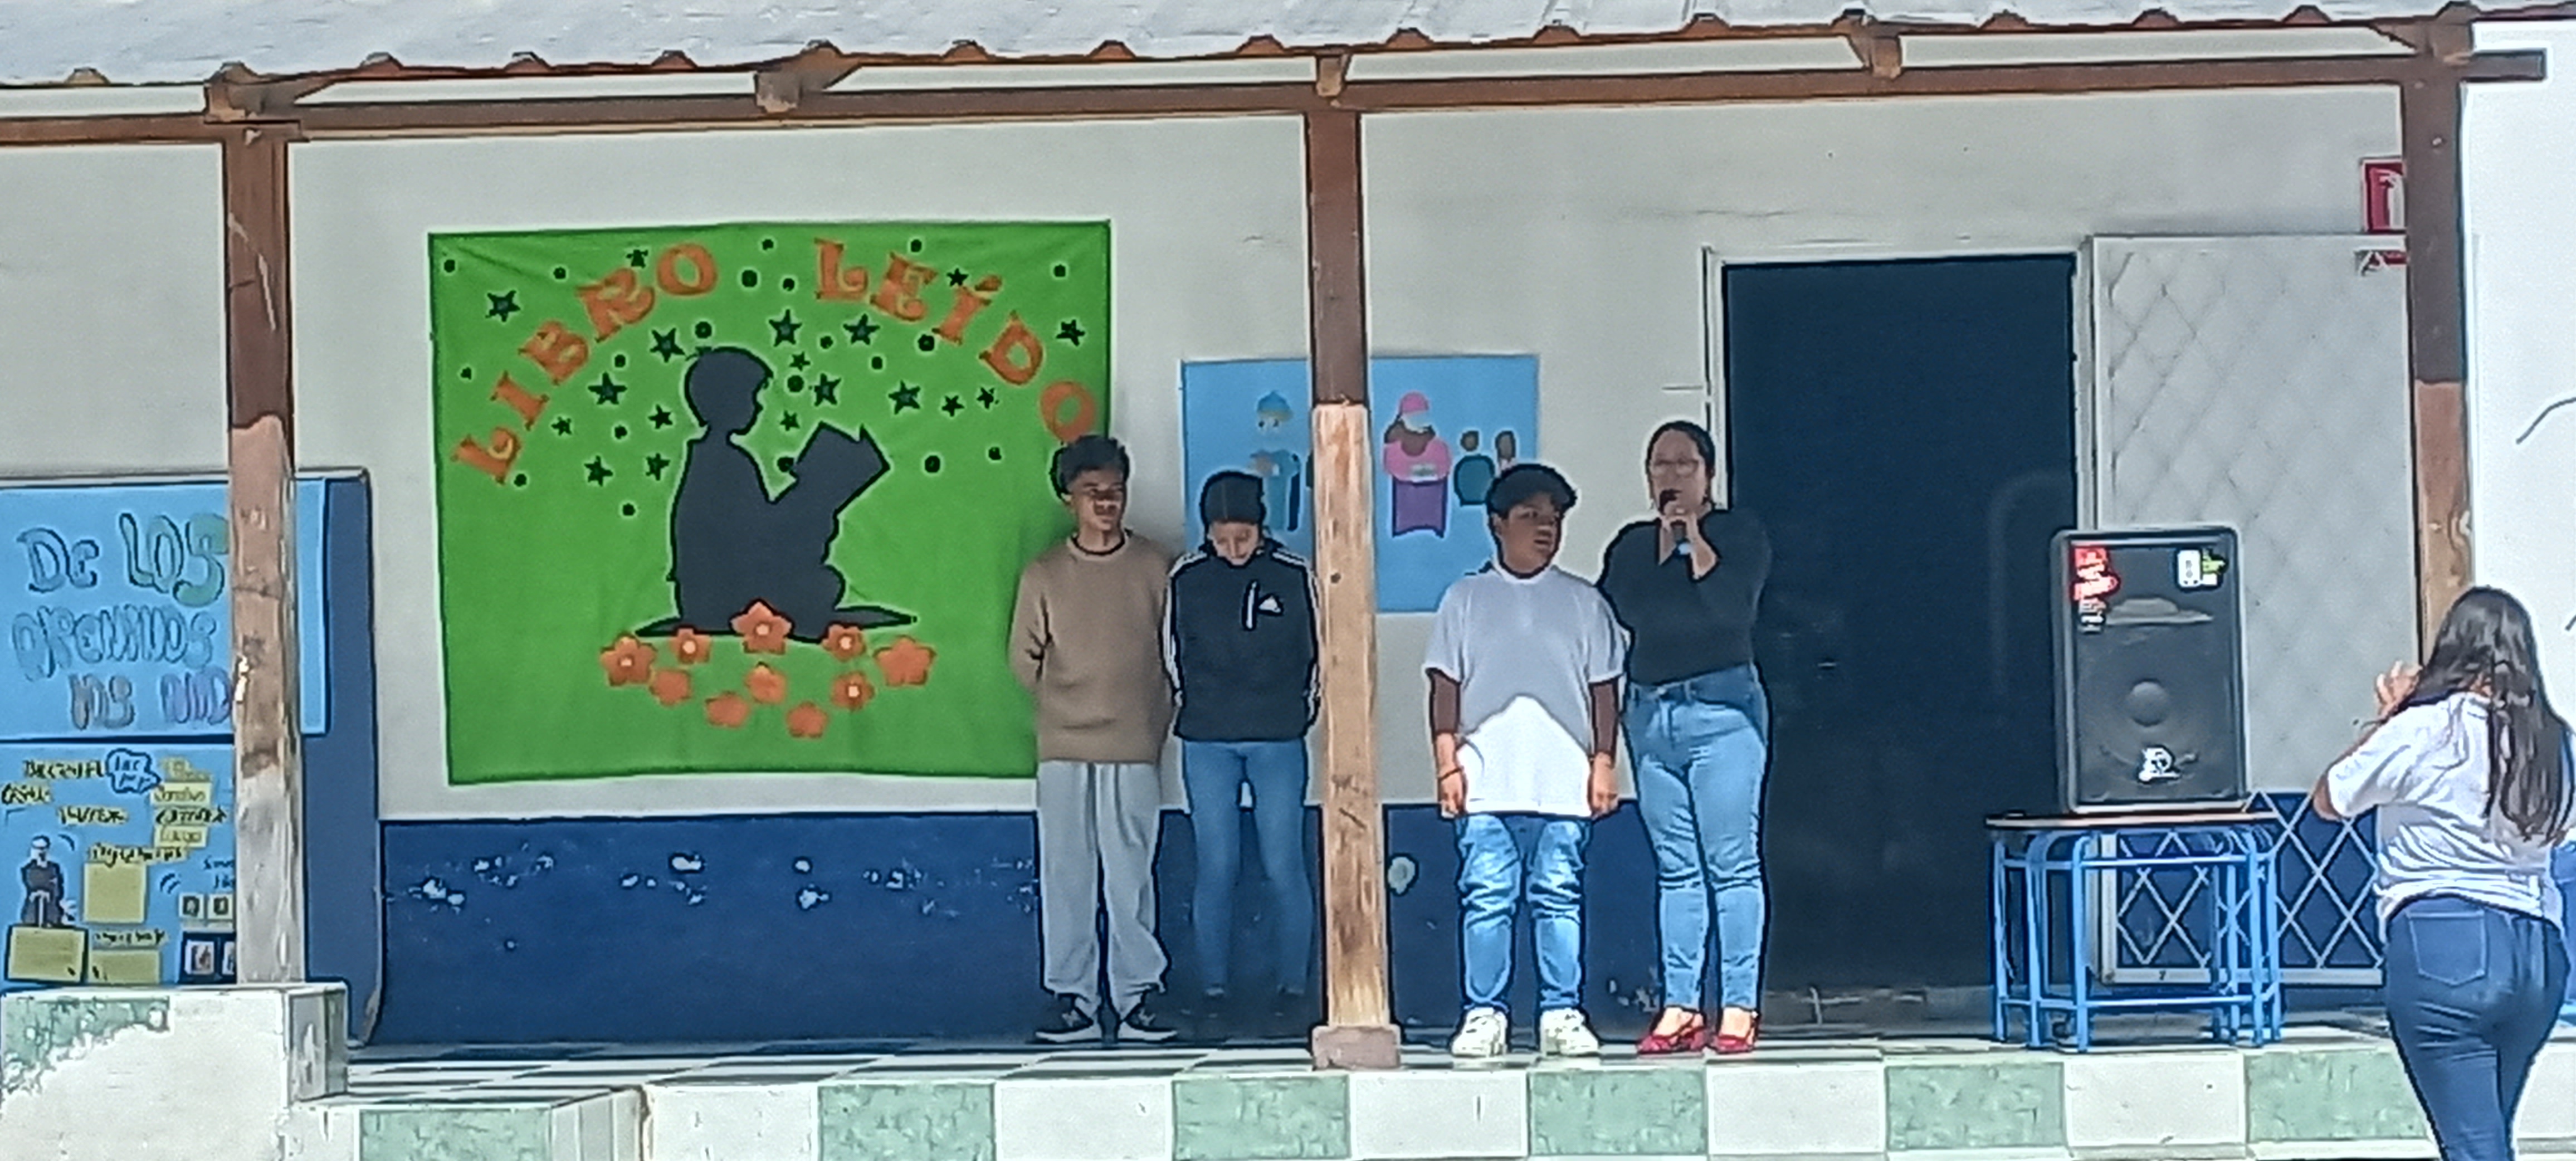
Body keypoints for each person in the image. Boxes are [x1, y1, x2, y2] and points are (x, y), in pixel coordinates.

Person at [2313, 587, 2573, 1161]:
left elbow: (2331, 798)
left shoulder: (2425, 728)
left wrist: (2392, 716)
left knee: (2474, 1145)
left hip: (2445, 937)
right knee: (2485, 1136)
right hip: (2538, 949)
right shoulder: (2555, 741)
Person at [1426, 463, 1624, 1059]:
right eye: (1530, 516)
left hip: (1562, 782)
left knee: (1558, 895)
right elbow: (1444, 686)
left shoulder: (1584, 601)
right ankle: (1484, 1012)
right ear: (1497, 524)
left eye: (1554, 518)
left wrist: (1603, 762)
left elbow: (1604, 689)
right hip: (1486, 779)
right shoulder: (1465, 599)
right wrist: (1447, 764)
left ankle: (1561, 1011)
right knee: (1488, 896)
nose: (1545, 529)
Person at [1594, 419, 1774, 1055]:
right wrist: (1663, 547)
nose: (1670, 476)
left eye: (1683, 464)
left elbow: (1730, 609)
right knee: (1676, 867)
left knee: (1732, 861)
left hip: (1722, 714)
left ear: (1709, 474)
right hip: (1653, 714)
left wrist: (1693, 539)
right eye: (1659, 465)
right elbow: (1629, 609)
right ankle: (1680, 1004)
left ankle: (1739, 1004)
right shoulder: (1630, 546)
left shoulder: (1738, 535)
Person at [1009, 434, 1180, 1045]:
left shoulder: (1157, 567)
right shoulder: (1045, 574)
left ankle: (1137, 996)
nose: (1106, 503)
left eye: (1115, 491)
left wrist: (1149, 716)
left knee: (1131, 875)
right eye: (1092, 492)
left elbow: (1175, 652)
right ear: (1068, 499)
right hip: (1062, 746)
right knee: (1066, 873)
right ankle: (1073, 998)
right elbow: (1023, 658)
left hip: (1134, 743)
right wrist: (1067, 707)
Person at [1165, 471, 1319, 1039]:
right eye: (1222, 538)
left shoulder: (1293, 574)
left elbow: (1318, 653)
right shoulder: (1187, 577)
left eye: (1244, 537)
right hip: (1207, 739)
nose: (1233, 549)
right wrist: (1194, 707)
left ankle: (1292, 991)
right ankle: (1214, 993)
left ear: (1262, 527)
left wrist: (1298, 713)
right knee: (1216, 865)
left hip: (1278, 737)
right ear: (1206, 532)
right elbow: (1171, 654)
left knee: (1284, 863)